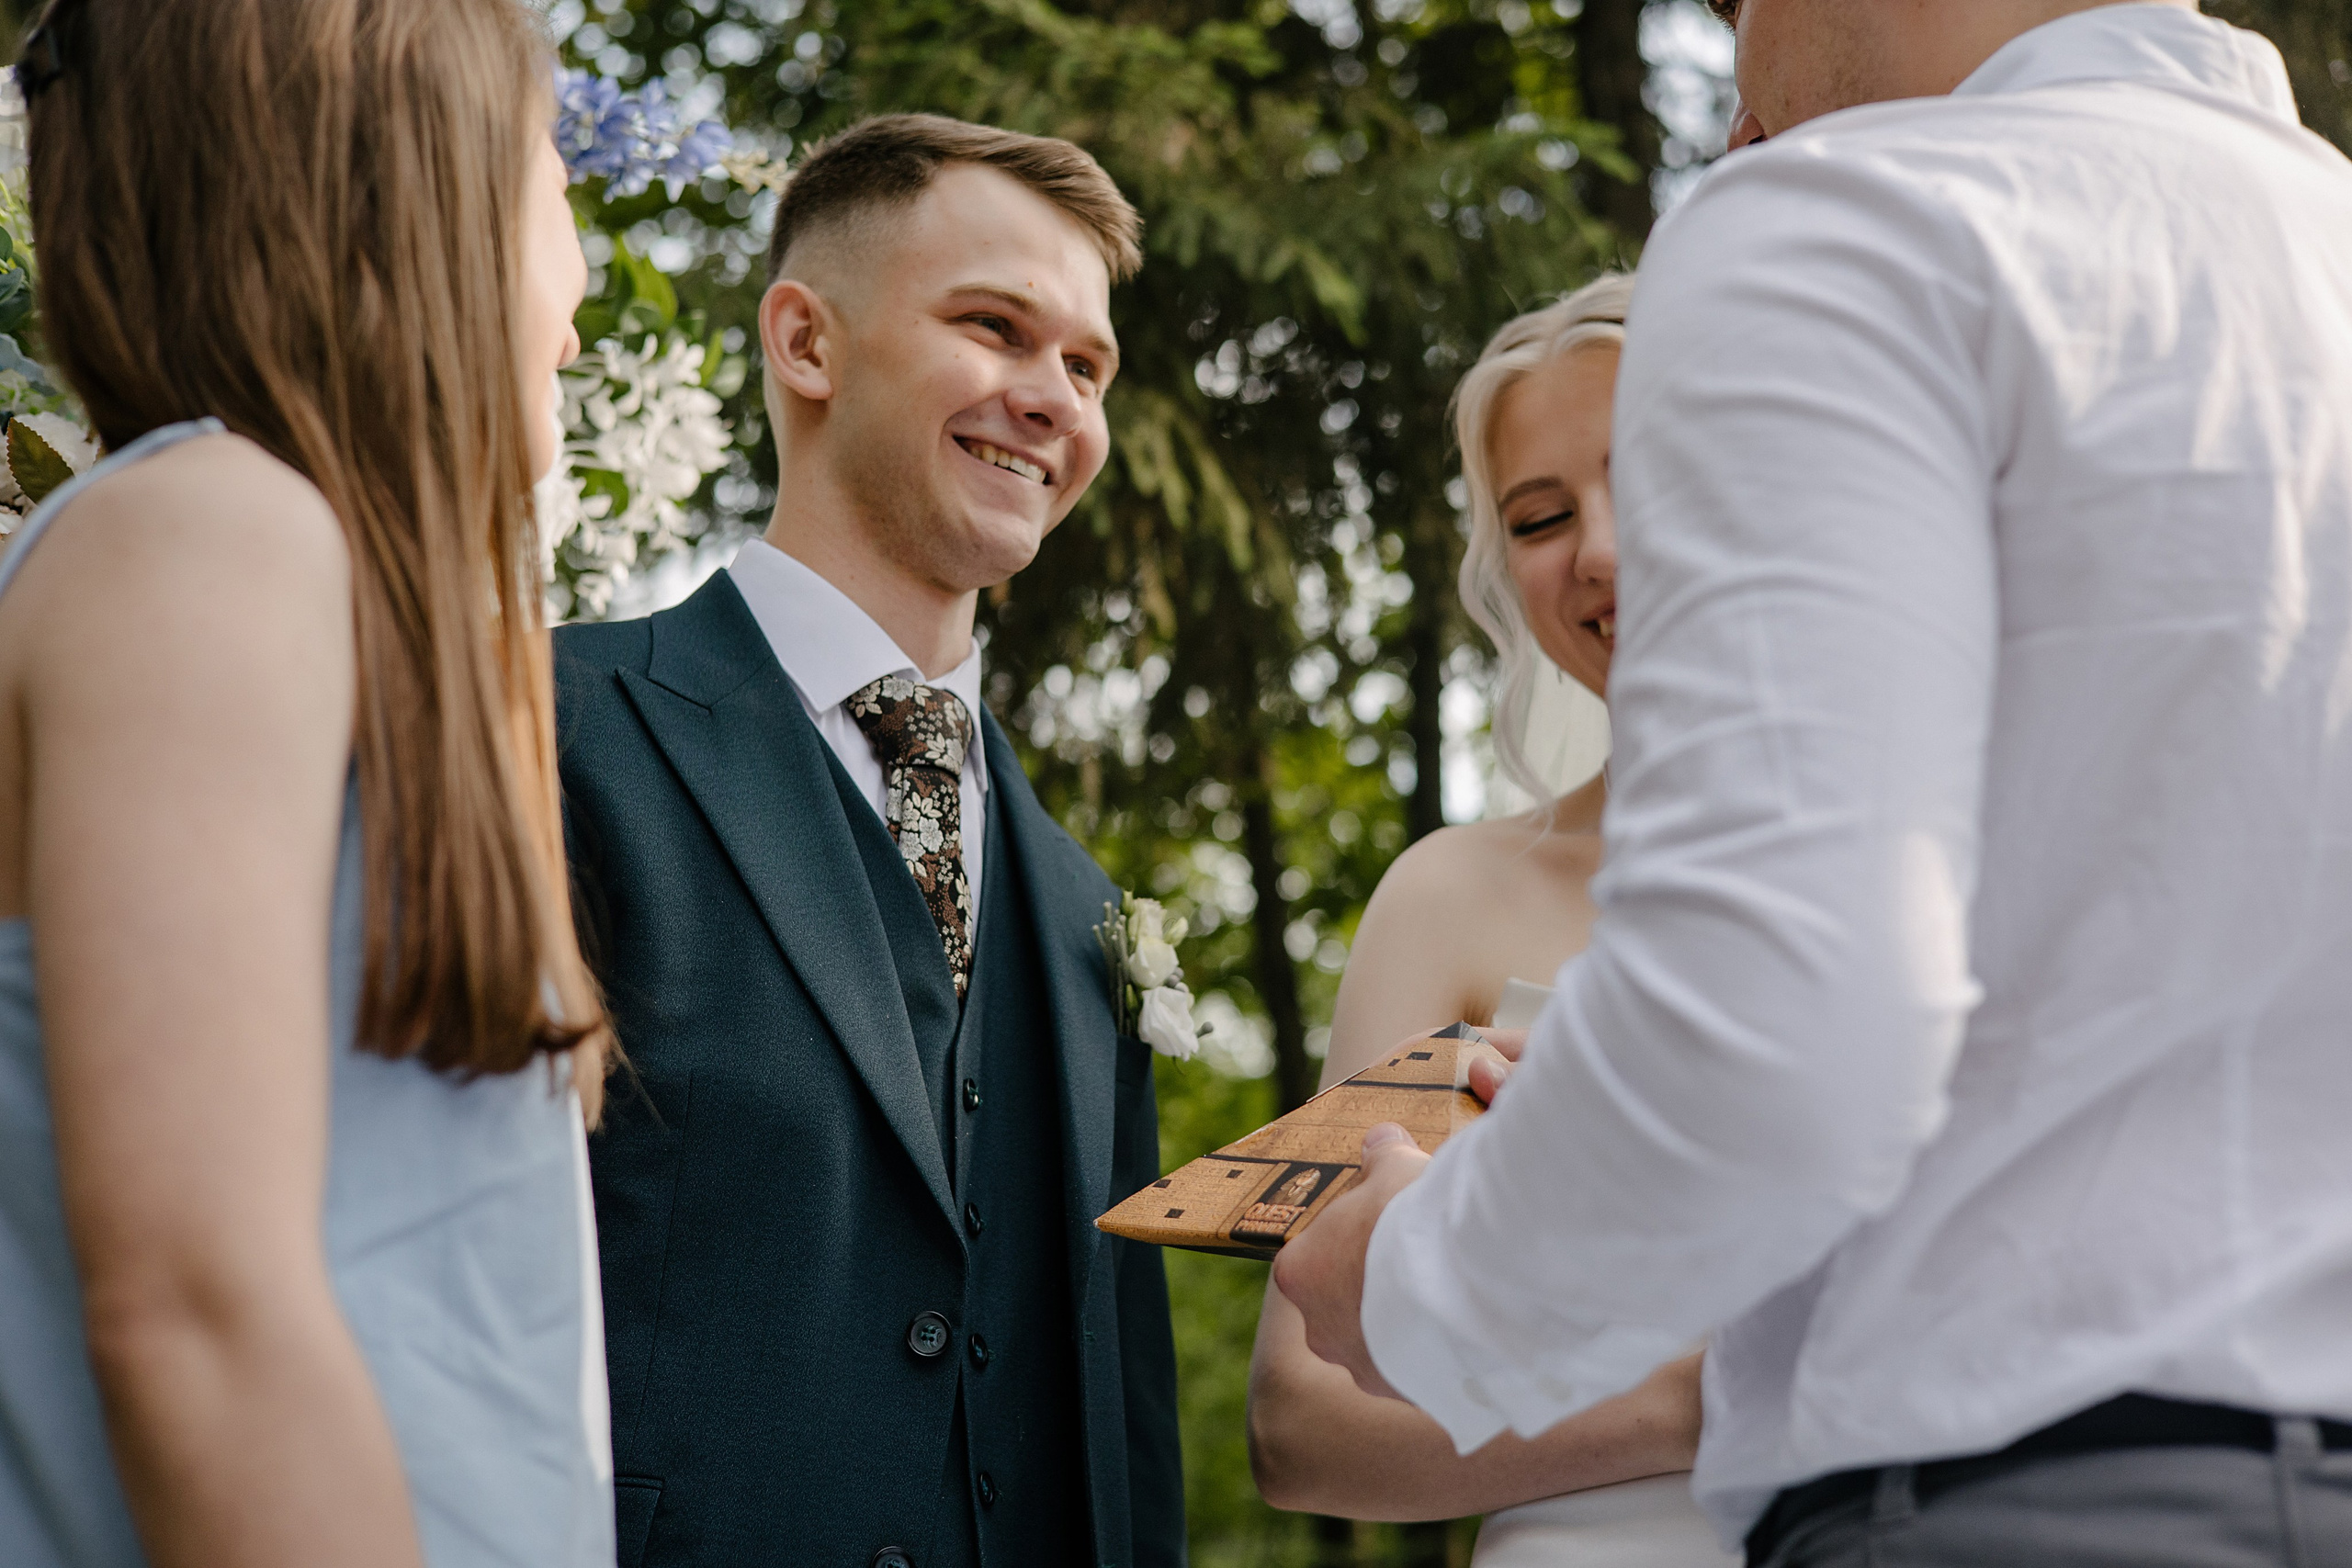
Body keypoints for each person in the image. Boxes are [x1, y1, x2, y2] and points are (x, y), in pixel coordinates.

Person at [1277, 1, 2352, 1564]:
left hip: (2023, 1509)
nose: (1737, 105)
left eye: (1737, 8)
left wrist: (1414, 1280)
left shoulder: (1849, 216)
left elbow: (1789, 1031)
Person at [0, 2, 612, 1566]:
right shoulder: (211, 532)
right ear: (413, 176)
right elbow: (197, 1307)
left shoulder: (283, 570)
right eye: (558, 171)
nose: (588, 282)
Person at [557, 114, 1182, 1568]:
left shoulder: (1089, 906)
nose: (1053, 400)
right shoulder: (548, 727)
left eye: (1087, 368)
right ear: (806, 344)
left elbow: (1119, 1425)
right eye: (996, 329)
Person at [1248, 277, 1731, 1566]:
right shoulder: (1453, 899)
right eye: (1542, 516)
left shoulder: (1967, 850)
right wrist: (1730, 1400)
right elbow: (1300, 1421)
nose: (1603, 551)